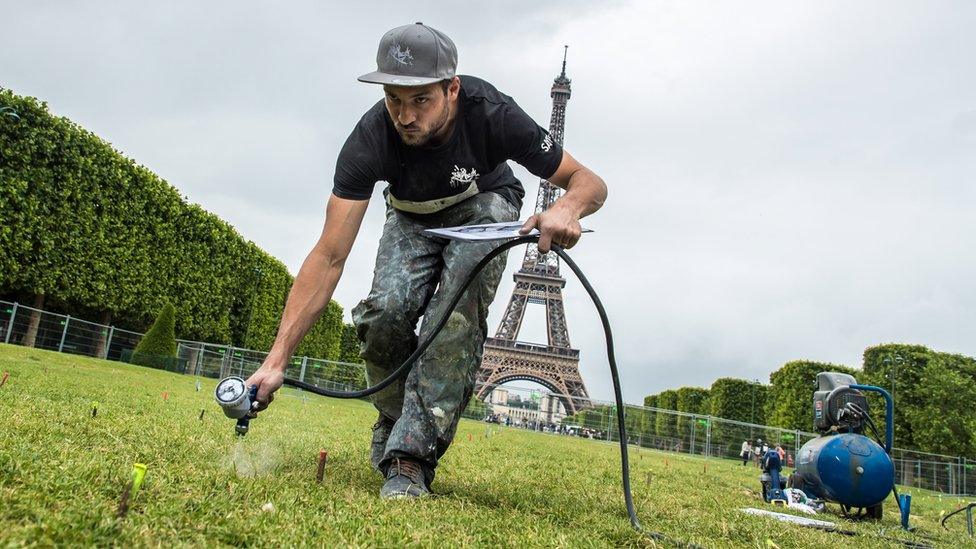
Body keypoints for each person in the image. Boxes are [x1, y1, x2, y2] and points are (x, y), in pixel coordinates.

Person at [243, 23, 609, 501]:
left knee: (452, 314)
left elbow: (589, 181)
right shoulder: (369, 139)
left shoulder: (493, 113)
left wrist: (565, 207)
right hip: (412, 216)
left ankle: (410, 456)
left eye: (421, 100)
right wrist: (276, 361)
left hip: (486, 205)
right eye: (395, 99)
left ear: (451, 87)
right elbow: (330, 256)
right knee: (383, 313)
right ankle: (397, 419)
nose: (405, 115)